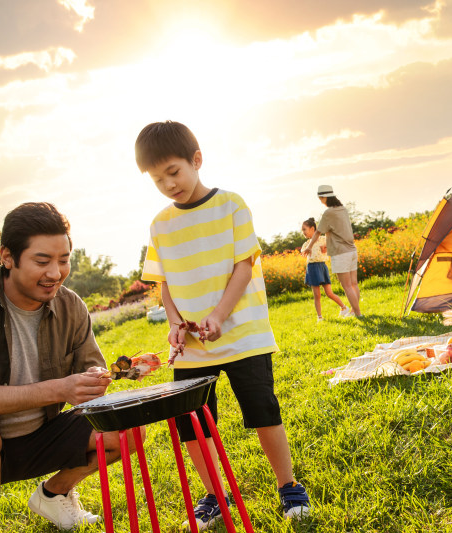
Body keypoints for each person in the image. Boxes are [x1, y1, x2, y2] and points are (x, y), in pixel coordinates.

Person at [135, 120, 310, 529]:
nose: (168, 184)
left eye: (174, 172)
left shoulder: (231, 204)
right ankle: (215, 493)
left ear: (196, 160)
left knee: (262, 409)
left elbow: (243, 267)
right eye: (158, 179)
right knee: (191, 423)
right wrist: (176, 323)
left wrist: (217, 316)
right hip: (192, 349)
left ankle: (288, 487)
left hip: (243, 335)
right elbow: (164, 285)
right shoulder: (161, 224)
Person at [0, 202, 137, 532]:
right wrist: (61, 388)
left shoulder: (71, 305)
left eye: (64, 260)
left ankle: (54, 493)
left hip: (41, 436)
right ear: (7, 257)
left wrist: (95, 378)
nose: (55, 272)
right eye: (42, 261)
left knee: (128, 425)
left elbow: (92, 367)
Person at [303, 185, 362, 317]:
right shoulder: (343, 210)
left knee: (346, 285)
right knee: (353, 284)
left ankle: (357, 313)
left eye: (320, 199)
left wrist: (309, 246)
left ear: (324, 197)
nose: (320, 201)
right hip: (351, 250)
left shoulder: (329, 213)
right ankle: (354, 312)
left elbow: (318, 232)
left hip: (341, 253)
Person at [299, 217, 349, 320]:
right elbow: (303, 252)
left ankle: (344, 308)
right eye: (302, 230)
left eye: (304, 229)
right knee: (317, 295)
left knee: (329, 293)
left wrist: (326, 247)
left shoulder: (322, 239)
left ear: (312, 228)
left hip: (322, 266)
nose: (303, 232)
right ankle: (320, 317)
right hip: (312, 268)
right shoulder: (306, 244)